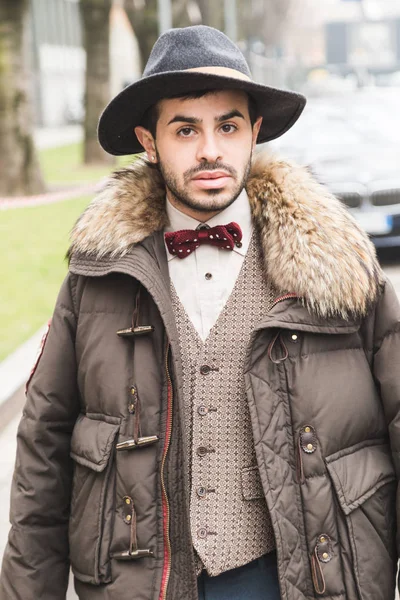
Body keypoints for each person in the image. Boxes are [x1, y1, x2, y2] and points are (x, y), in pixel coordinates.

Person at [0, 24, 399, 600]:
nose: (210, 148)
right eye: (186, 129)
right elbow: (43, 447)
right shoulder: (97, 277)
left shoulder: (338, 266)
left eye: (228, 126)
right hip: (140, 582)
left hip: (301, 578)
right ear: (149, 141)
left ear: (254, 133)